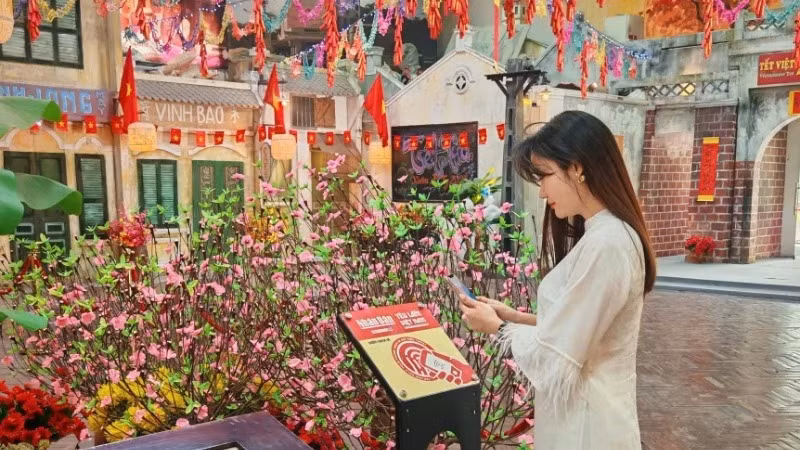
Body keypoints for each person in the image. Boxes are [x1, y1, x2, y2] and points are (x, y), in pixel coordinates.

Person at [459, 110, 656, 449]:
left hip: (589, 426)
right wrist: (514, 316)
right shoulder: (605, 235)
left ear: (577, 168)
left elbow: (560, 356)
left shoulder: (607, 243)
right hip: (589, 414)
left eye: (546, 175)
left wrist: (497, 328)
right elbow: (585, 326)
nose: (542, 191)